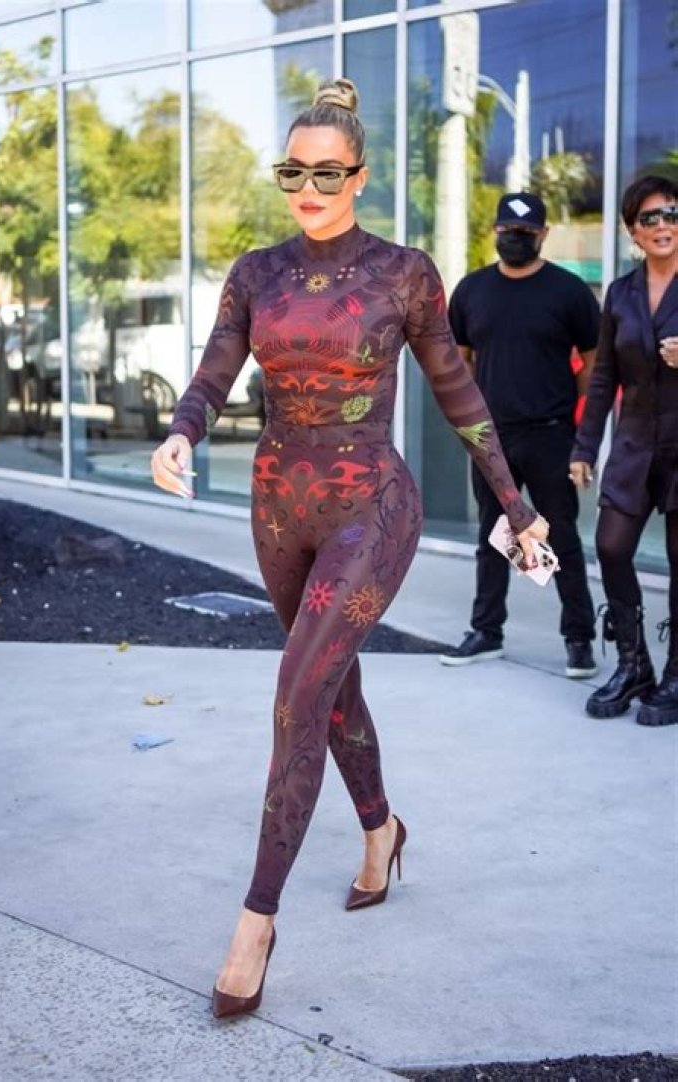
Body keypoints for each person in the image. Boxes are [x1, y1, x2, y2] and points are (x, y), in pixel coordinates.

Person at [151, 78, 547, 1019]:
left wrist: (515, 503)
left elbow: (456, 389)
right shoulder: (255, 273)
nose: (308, 188)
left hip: (372, 502)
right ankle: (381, 830)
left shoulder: (403, 272)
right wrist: (181, 431)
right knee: (329, 687)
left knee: (297, 692)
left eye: (327, 173)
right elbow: (214, 369)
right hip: (279, 508)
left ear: (360, 176)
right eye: (292, 172)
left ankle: (255, 923)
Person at [438, 192, 600, 678]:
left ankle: (579, 638)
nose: (515, 238)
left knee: (561, 536)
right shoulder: (472, 291)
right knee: (495, 534)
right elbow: (460, 360)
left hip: (550, 435)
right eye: (509, 230)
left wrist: (567, 414)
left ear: (543, 235)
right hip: (492, 439)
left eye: (526, 233)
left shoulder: (569, 292)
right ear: (495, 231)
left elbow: (593, 364)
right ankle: (486, 631)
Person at [570, 175, 678, 725]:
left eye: (672, 214)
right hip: (634, 442)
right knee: (611, 546)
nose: (663, 225)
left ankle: (677, 672)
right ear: (633, 231)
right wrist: (584, 447)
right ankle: (634, 664)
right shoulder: (619, 293)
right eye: (649, 218)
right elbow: (602, 376)